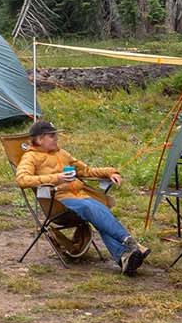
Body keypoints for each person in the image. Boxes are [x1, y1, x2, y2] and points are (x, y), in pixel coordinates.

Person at [14, 117, 149, 275]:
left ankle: (123, 258)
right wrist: (56, 178)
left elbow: (85, 171)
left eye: (55, 135)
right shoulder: (30, 157)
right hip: (59, 202)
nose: (56, 138)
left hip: (80, 195)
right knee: (91, 207)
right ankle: (130, 242)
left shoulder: (63, 154)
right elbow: (22, 180)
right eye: (52, 135)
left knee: (97, 209)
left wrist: (110, 172)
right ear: (39, 139)